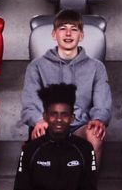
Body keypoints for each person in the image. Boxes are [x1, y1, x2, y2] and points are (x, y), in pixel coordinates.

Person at [20, 9, 112, 153]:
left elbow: (102, 102)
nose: (68, 34)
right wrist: (39, 120)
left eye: (74, 29)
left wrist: (99, 119)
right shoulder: (37, 66)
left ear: (81, 36)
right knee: (41, 132)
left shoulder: (96, 67)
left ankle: (90, 176)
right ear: (54, 34)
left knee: (95, 133)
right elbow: (30, 103)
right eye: (62, 28)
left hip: (79, 125)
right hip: (48, 124)